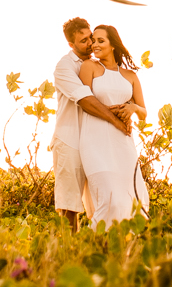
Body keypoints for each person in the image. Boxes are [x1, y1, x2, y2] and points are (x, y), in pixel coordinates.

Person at [51, 17, 132, 232]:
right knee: (70, 205)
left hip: (94, 140)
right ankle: (69, 250)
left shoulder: (96, 65)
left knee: (102, 198)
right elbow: (86, 100)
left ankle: (100, 245)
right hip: (70, 140)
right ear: (71, 44)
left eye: (91, 38)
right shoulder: (64, 67)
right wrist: (116, 121)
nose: (90, 44)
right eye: (83, 41)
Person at [78, 24, 150, 227]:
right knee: (110, 200)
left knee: (132, 202)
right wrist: (114, 116)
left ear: (113, 45)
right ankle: (92, 246)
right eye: (94, 40)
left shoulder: (130, 76)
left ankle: (126, 251)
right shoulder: (89, 67)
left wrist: (132, 108)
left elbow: (144, 113)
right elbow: (85, 103)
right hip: (95, 140)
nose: (95, 44)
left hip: (123, 144)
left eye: (101, 40)